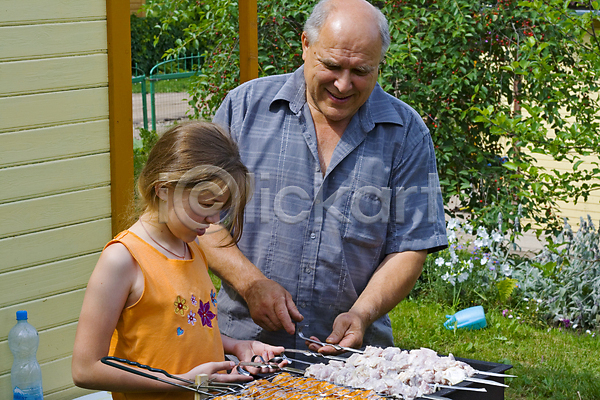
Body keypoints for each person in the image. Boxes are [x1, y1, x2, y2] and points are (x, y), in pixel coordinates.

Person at [200, 0, 448, 354]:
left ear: (380, 63)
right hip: (240, 347)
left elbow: (411, 245)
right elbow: (200, 217)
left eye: (361, 71)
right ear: (305, 45)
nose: (344, 85)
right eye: (331, 66)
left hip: (351, 358)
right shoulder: (244, 109)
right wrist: (251, 283)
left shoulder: (406, 132)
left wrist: (362, 314)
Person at [72, 122, 284, 400]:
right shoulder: (122, 259)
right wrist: (180, 382)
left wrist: (235, 346)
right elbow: (86, 369)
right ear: (163, 189)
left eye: (222, 209)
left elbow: (180, 328)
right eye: (206, 204)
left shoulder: (192, 247)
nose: (214, 221)